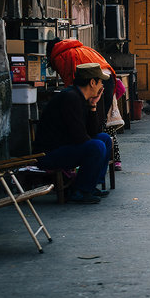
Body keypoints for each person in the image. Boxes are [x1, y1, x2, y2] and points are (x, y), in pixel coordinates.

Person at [34, 63, 113, 204]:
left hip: (66, 147)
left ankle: (91, 185)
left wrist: (93, 106)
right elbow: (80, 137)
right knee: (97, 146)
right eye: (100, 82)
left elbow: (93, 132)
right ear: (92, 82)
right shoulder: (71, 97)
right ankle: (80, 190)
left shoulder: (80, 98)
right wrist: (93, 145)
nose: (102, 86)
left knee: (104, 139)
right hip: (49, 154)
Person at [46, 38, 123, 171]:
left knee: (98, 132)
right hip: (108, 79)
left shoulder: (61, 56)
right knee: (100, 128)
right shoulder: (79, 49)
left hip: (100, 80)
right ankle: (96, 164)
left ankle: (93, 164)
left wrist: (91, 104)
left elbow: (70, 80)